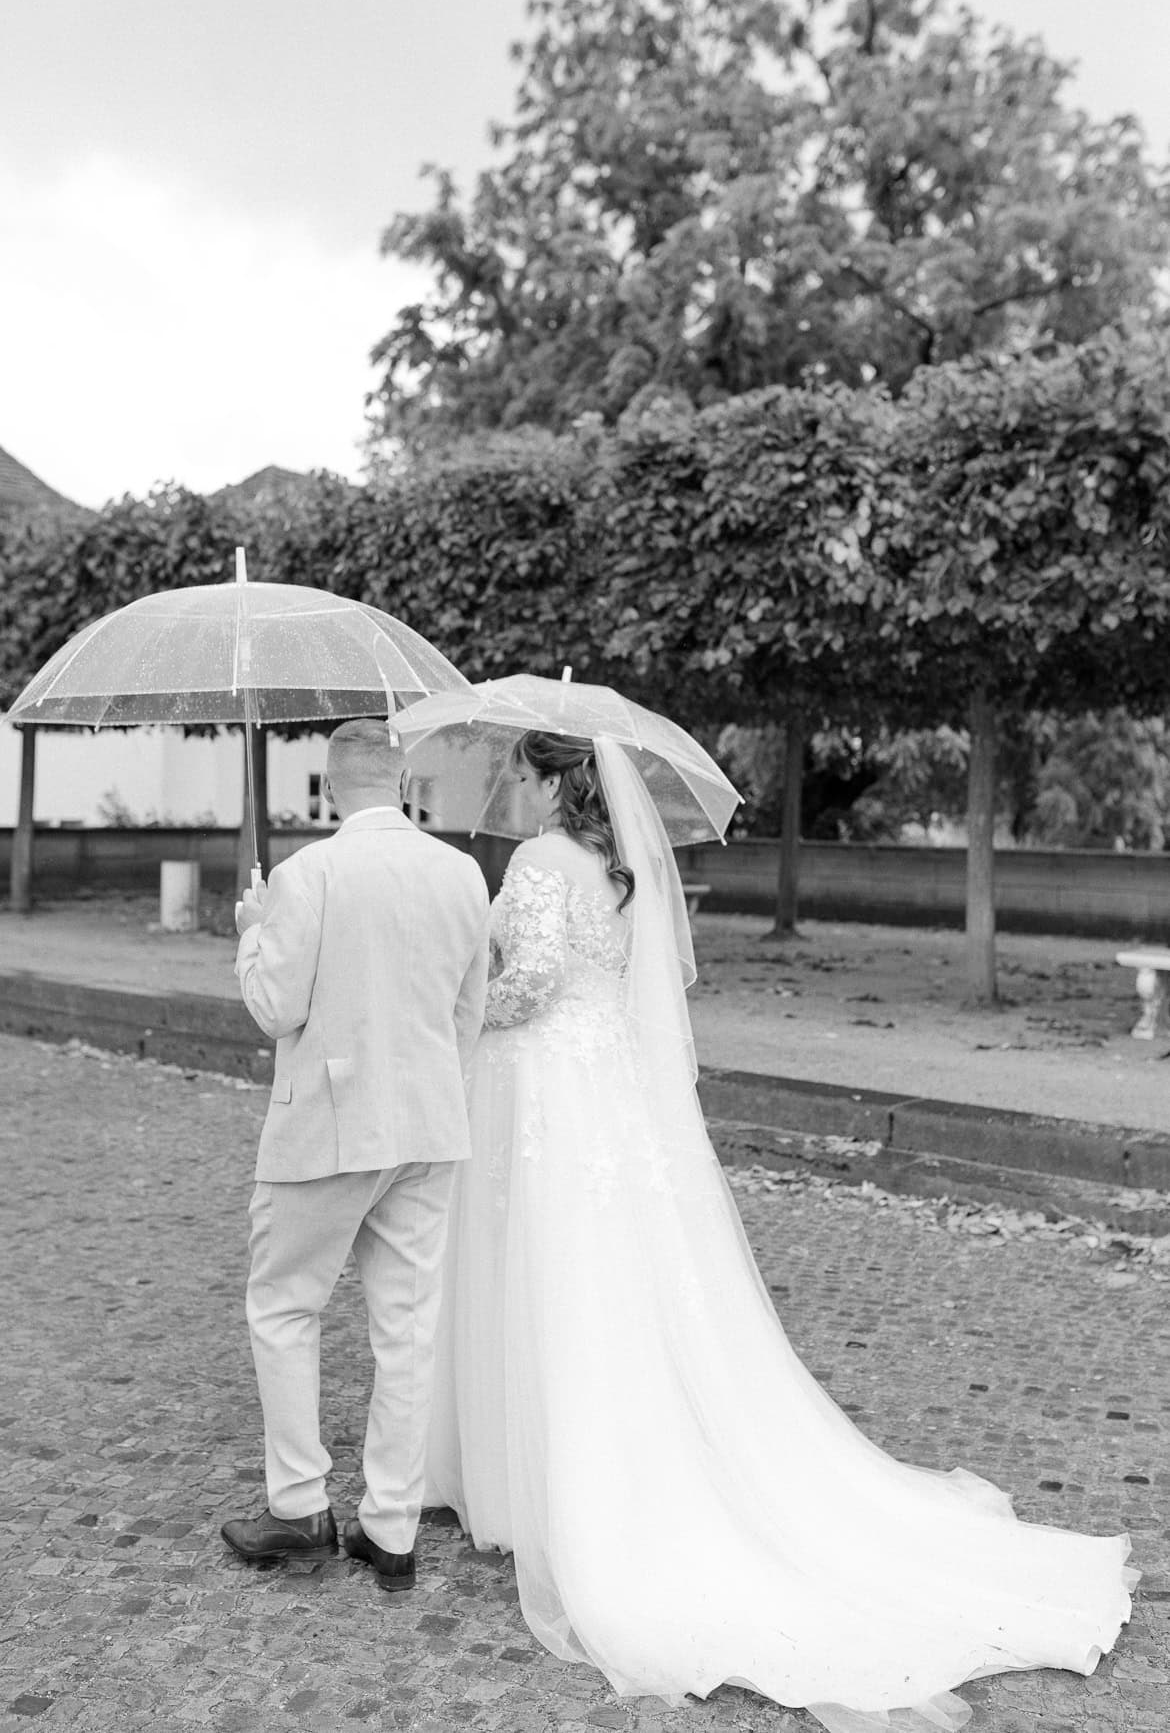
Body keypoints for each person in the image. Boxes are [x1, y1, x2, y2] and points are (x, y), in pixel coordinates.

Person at [425, 728, 1137, 1733]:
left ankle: (549, 1488)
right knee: (609, 1278)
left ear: (552, 782)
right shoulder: (616, 868)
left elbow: (531, 985)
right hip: (606, 1096)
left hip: (544, 1088)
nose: (512, 785)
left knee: (545, 1276)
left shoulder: (540, 862)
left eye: (520, 770)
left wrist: (464, 1008)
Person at [221, 718, 490, 1592]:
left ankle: (300, 1505)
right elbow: (467, 1014)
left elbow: (273, 1007)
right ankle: (392, 1527)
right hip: (427, 1123)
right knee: (407, 1331)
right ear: (403, 778)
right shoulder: (461, 873)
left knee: (284, 1306)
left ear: (333, 785)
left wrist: (252, 929)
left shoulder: (308, 875)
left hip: (329, 1127)